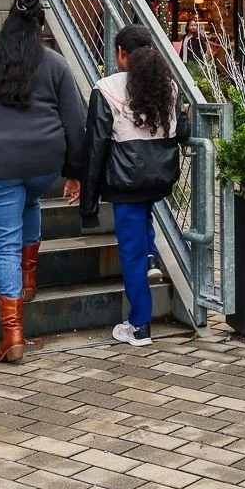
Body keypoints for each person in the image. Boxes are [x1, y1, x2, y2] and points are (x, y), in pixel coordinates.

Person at [0, 0, 85, 364]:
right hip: (44, 164)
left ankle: (12, 334)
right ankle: (28, 279)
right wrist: (74, 171)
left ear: (8, 22)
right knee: (31, 199)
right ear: (40, 28)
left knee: (4, 244)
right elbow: (75, 120)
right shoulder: (55, 63)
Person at [81, 25, 190, 346]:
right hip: (158, 177)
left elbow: (95, 146)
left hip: (124, 180)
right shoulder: (167, 86)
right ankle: (152, 258)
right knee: (143, 224)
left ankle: (140, 325)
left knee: (130, 252)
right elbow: (182, 131)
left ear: (121, 53)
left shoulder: (106, 89)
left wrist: (88, 202)